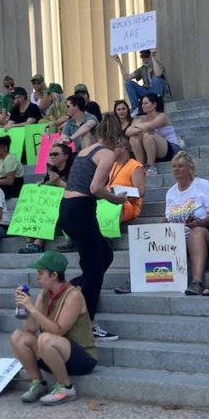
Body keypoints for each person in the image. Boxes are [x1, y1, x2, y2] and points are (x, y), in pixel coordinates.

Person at [59, 113, 126, 342]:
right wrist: (116, 200)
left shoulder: (86, 150)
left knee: (105, 254)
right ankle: (87, 323)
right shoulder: (105, 154)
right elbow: (96, 187)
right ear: (116, 139)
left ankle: (72, 288)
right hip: (80, 209)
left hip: (70, 208)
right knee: (95, 268)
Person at [10, 251, 97, 406]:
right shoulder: (45, 294)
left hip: (82, 357)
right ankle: (39, 384)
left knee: (45, 338)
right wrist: (24, 307)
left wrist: (34, 309)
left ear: (54, 275)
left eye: (41, 273)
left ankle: (66, 388)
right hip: (54, 353)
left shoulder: (73, 295)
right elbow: (30, 328)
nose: (37, 277)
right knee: (18, 336)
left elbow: (58, 331)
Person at [164, 152, 209, 296]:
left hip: (204, 230)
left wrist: (199, 222)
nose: (176, 169)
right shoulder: (170, 192)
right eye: (174, 166)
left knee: (196, 232)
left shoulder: (202, 185)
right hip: (177, 232)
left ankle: (197, 281)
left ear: (190, 168)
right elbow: (167, 217)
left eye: (181, 166)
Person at [19, 142, 74, 254]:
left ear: (66, 156)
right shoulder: (51, 171)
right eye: (51, 154)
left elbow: (76, 190)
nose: (52, 157)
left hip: (67, 205)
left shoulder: (73, 171)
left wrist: (58, 182)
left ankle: (38, 242)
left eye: (56, 154)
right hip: (50, 206)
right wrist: (41, 185)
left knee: (47, 212)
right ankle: (30, 240)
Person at [126, 93, 180, 175]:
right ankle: (140, 167)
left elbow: (150, 126)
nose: (143, 106)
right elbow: (128, 132)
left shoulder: (162, 116)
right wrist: (141, 128)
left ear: (154, 104)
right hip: (153, 151)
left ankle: (151, 167)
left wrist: (136, 126)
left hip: (171, 149)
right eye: (142, 103)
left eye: (146, 103)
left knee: (148, 136)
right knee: (133, 138)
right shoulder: (142, 119)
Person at [113, 49, 167, 115]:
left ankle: (157, 103)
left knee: (156, 79)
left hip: (158, 92)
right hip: (147, 92)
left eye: (146, 56)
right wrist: (119, 62)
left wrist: (153, 56)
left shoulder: (158, 65)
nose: (144, 58)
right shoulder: (143, 68)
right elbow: (127, 77)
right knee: (128, 83)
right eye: (142, 56)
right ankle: (135, 108)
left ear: (150, 55)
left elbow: (158, 74)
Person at [108, 137, 145, 224]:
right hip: (113, 200)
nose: (110, 150)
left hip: (128, 205)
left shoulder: (136, 166)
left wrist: (120, 196)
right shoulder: (113, 165)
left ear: (123, 148)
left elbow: (141, 192)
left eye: (113, 147)